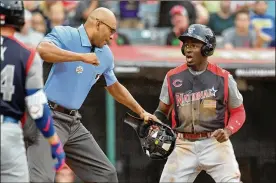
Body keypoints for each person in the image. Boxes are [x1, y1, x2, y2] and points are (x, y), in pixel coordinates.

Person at [26, 7, 158, 182]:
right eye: (111, 30)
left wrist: (141, 112)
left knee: (106, 175)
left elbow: (114, 86)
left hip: (73, 123)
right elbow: (43, 50)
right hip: (48, 116)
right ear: (97, 24)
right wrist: (80, 57)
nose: (112, 36)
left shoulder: (105, 54)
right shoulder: (66, 33)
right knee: (41, 179)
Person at [154, 24, 246, 182]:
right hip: (183, 144)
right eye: (186, 45)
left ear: (207, 49)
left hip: (215, 143)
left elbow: (238, 111)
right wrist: (154, 126)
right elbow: (162, 111)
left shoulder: (223, 78)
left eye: (194, 45)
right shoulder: (172, 77)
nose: (188, 49)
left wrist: (229, 130)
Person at [0, 1, 66, 182]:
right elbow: (37, 107)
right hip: (8, 131)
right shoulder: (27, 54)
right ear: (19, 18)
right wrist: (53, 141)